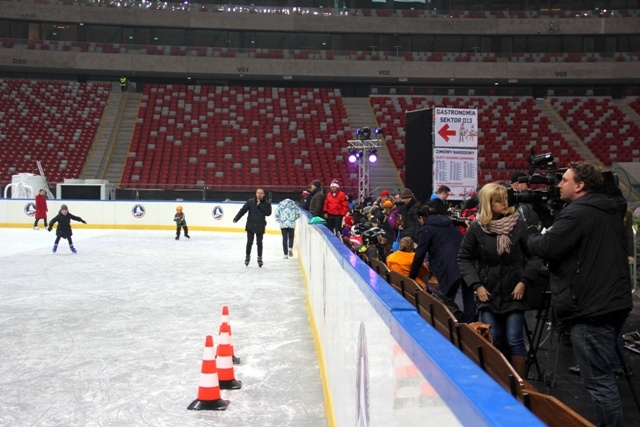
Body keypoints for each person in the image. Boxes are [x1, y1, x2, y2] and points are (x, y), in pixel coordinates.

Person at [527, 162, 632, 427]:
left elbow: (547, 246)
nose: (559, 185)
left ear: (580, 185)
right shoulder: (608, 208)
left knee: (598, 381)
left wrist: (528, 233)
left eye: (564, 180)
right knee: (604, 377)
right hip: (612, 300)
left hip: (589, 305)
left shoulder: (578, 213)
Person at [457, 182, 541, 377]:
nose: (504, 203)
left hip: (515, 292)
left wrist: (524, 281)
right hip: (488, 293)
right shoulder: (477, 228)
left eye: (505, 199)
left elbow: (535, 256)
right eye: (498, 200)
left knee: (514, 340)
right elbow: (463, 258)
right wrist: (476, 286)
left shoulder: (519, 225)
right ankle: (499, 381)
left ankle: (521, 388)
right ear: (488, 203)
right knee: (494, 338)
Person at [410, 205, 475, 323]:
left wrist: (411, 277)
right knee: (468, 297)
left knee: (446, 299)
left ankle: (449, 327)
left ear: (421, 218)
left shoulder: (427, 229)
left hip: (448, 265)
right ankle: (471, 327)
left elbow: (419, 254)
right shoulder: (448, 223)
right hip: (466, 261)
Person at [233, 188, 272, 267]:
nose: (259, 194)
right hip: (251, 224)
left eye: (261, 193)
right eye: (258, 193)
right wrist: (236, 218)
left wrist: (260, 205)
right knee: (249, 242)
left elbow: (268, 213)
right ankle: (247, 256)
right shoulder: (250, 201)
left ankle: (259, 258)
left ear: (264, 194)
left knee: (259, 243)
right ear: (256, 193)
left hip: (260, 225)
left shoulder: (267, 203)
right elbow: (243, 210)